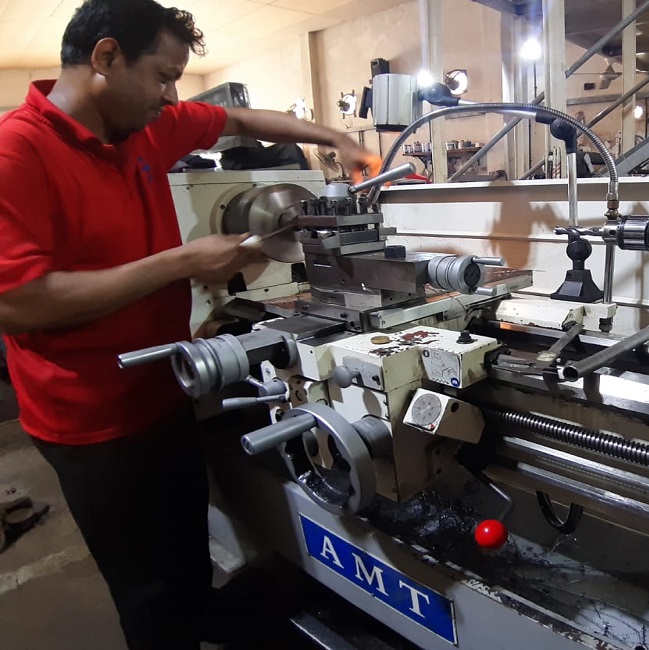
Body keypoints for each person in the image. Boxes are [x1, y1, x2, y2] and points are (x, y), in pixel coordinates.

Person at [0, 1, 383, 648]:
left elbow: (240, 118)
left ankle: (211, 612)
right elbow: (19, 302)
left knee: (183, 554)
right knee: (148, 593)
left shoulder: (143, 128)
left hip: (167, 387)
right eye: (163, 76)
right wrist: (180, 263)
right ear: (106, 57)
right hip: (92, 424)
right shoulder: (18, 151)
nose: (172, 97)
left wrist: (336, 139)